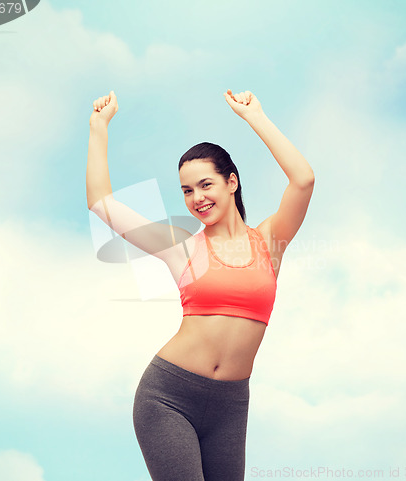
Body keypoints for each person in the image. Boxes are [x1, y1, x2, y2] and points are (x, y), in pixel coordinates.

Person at [86, 89, 315, 481]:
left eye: (205, 185)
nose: (196, 198)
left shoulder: (270, 242)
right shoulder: (182, 248)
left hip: (230, 404)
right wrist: (98, 127)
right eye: (187, 191)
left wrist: (255, 116)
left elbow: (303, 179)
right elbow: (102, 204)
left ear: (232, 182)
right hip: (168, 396)